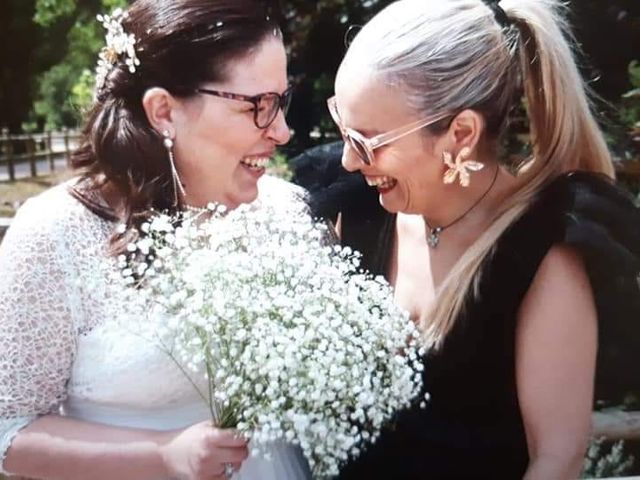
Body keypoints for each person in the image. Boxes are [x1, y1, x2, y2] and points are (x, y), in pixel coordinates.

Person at [293, 0, 640, 478]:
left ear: (460, 133)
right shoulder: (351, 207)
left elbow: (555, 460)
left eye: (368, 141)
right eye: (342, 127)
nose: (350, 161)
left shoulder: (543, 253)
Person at [0, 1, 311, 479]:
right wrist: (163, 455)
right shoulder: (55, 234)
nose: (284, 131)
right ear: (164, 110)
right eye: (258, 107)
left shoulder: (286, 210)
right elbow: (8, 429)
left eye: (282, 101)